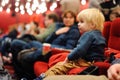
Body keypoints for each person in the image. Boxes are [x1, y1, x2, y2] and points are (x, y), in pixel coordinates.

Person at [34, 8, 106, 80]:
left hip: (86, 62)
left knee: (60, 66)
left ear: (92, 25)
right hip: (93, 62)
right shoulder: (100, 36)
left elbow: (79, 50)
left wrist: (69, 58)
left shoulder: (88, 35)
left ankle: (41, 78)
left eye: (81, 22)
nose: (78, 24)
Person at [8, 10, 80, 79]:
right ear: (63, 18)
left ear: (74, 19)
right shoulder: (60, 27)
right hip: (44, 47)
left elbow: (68, 48)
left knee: (26, 45)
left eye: (70, 17)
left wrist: (50, 47)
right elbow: (47, 40)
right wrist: (56, 33)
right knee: (16, 43)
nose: (68, 19)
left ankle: (22, 69)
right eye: (66, 17)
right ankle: (19, 71)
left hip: (51, 52)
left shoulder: (74, 31)